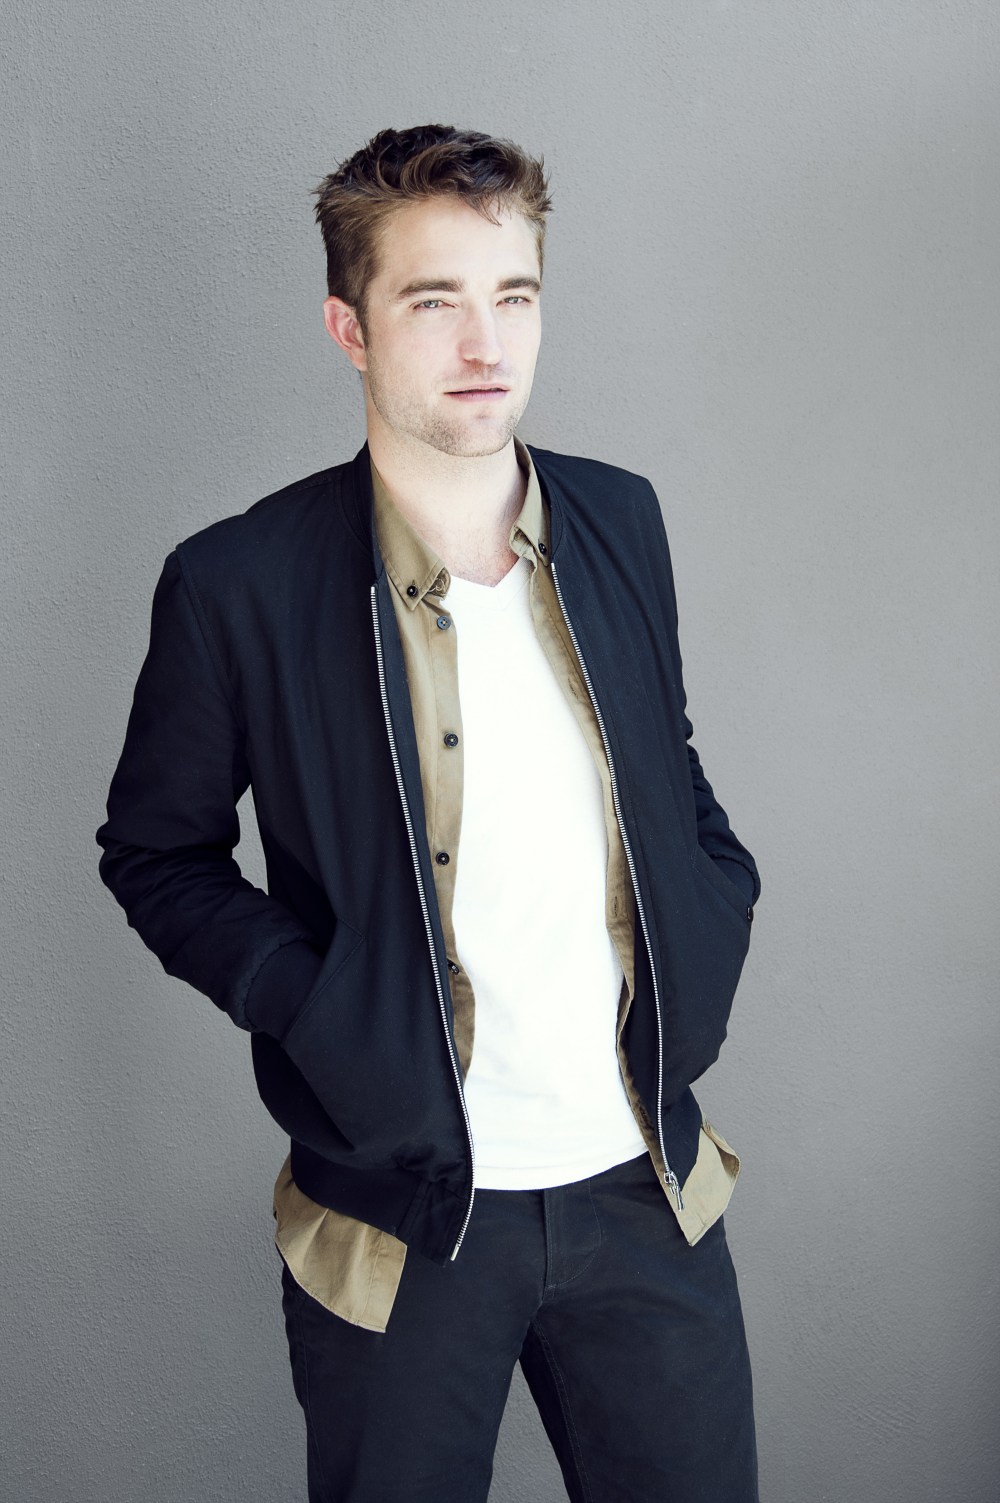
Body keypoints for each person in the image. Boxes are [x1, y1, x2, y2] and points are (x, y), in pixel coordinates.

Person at [97, 124, 761, 1502]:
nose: (484, 343)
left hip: (645, 1183)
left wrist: (717, 895)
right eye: (433, 301)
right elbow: (156, 855)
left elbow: (669, 766)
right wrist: (320, 1003)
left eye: (514, 296)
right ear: (349, 327)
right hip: (401, 1219)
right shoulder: (237, 583)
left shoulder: (621, 521)